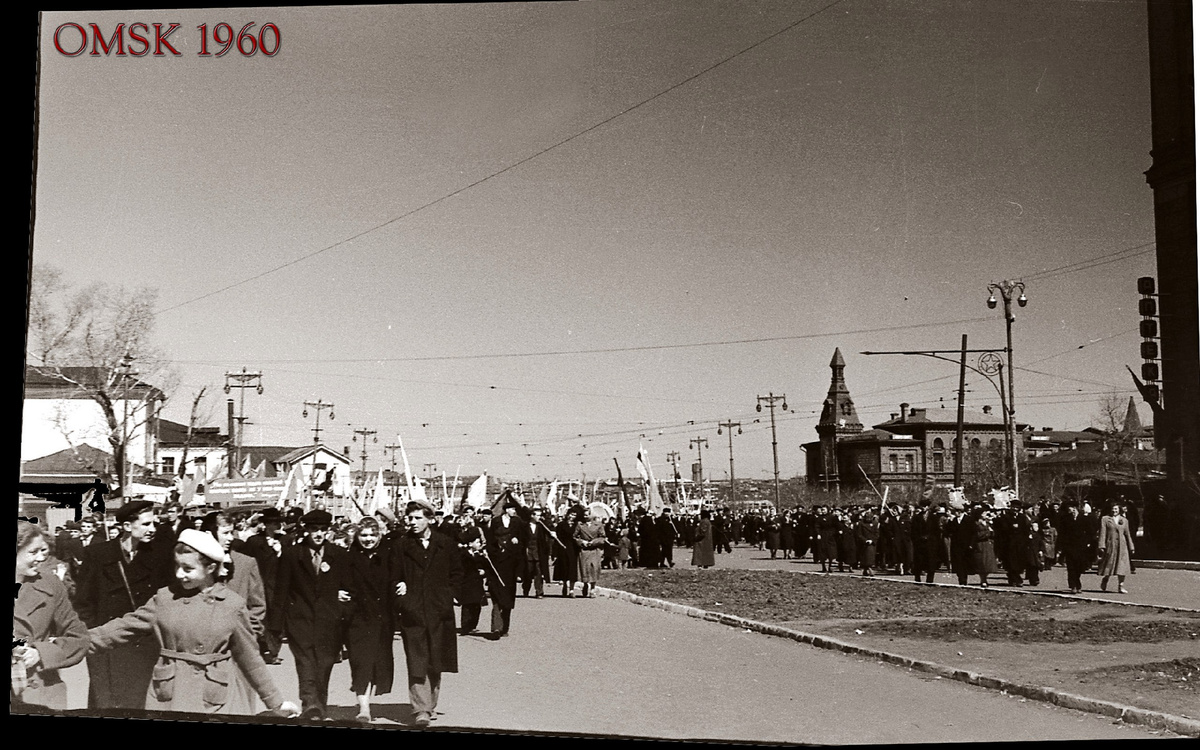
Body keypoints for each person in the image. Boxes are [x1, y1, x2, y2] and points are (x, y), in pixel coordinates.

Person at [87, 529, 299, 717]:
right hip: (168, 694)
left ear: (210, 568)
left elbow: (250, 659)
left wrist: (276, 702)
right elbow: (124, 627)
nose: (179, 574)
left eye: (188, 568)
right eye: (177, 566)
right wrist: (79, 642)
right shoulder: (164, 599)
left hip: (213, 698)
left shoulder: (232, 606)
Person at [73, 499, 173, 711]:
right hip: (106, 647)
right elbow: (84, 603)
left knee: (142, 704)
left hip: (145, 647)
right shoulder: (98, 555)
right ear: (127, 526)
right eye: (146, 524)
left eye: (153, 523)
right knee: (106, 705)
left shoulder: (160, 555)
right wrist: (92, 637)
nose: (153, 529)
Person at [270, 508, 353, 720]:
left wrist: (341, 602)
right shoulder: (292, 554)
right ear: (306, 530)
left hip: (329, 621)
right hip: (300, 620)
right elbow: (281, 590)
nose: (318, 534)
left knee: (324, 663)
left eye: (323, 530)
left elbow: (348, 587)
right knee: (306, 663)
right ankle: (310, 704)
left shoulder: (339, 555)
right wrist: (276, 626)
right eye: (314, 529)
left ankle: (320, 704)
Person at [392, 501, 463, 727]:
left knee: (435, 659)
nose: (412, 523)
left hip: (439, 611)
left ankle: (429, 704)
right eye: (409, 518)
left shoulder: (446, 544)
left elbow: (458, 573)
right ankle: (420, 709)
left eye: (417, 518)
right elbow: (392, 574)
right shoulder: (401, 546)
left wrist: (447, 595)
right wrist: (401, 591)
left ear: (430, 519)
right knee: (417, 658)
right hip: (412, 611)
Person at [13, 521, 89, 711]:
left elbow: (79, 638)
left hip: (40, 692)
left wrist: (41, 653)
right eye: (33, 552)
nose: (41, 558)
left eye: (42, 550)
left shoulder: (50, 584)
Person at [202, 511, 268, 714]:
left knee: (242, 706)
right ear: (209, 533)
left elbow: (257, 605)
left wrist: (249, 635)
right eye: (226, 533)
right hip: (206, 651)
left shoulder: (246, 563)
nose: (231, 538)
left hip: (239, 651)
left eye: (232, 533)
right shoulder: (197, 566)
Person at [345, 517, 395, 723]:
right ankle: (364, 707)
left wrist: (402, 585)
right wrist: (339, 591)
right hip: (357, 618)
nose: (368, 539)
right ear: (357, 536)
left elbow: (398, 577)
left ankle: (367, 701)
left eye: (372, 535)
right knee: (360, 661)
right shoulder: (349, 558)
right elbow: (339, 581)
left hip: (383, 618)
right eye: (363, 535)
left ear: (379, 535)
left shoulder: (388, 556)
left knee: (377, 662)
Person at [485, 494, 526, 637]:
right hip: (497, 568)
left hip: (511, 568)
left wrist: (517, 542)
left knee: (507, 600)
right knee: (496, 598)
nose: (514, 511)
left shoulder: (518, 522)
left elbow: (523, 543)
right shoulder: (496, 521)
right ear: (505, 510)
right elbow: (490, 541)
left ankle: (504, 628)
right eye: (512, 509)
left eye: (515, 508)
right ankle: (496, 628)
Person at [1097, 501, 1135, 593]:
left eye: (1116, 509)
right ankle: (1105, 579)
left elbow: (1127, 534)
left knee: (1122, 566)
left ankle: (1121, 586)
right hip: (1111, 545)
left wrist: (1131, 547)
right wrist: (1102, 545)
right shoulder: (1105, 519)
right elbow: (1103, 533)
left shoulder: (1124, 520)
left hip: (1122, 546)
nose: (1114, 510)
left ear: (1119, 510)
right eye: (1113, 509)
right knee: (1109, 564)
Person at [1058, 502, 1093, 594]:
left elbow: (1089, 531)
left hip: (1081, 546)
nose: (1068, 510)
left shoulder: (1084, 519)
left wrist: (1088, 542)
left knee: (1079, 566)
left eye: (1069, 508)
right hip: (1069, 546)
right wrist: (1061, 546)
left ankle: (1077, 582)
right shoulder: (1065, 519)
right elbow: (1061, 533)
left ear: (1074, 508)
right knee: (1071, 566)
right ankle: (1074, 585)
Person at [521, 506, 554, 598]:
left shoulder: (542, 526)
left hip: (539, 553)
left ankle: (539, 591)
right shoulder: (525, 526)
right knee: (528, 572)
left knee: (539, 573)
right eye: (537, 515)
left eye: (540, 515)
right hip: (528, 553)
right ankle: (526, 588)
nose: (539, 517)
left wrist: (552, 534)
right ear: (532, 516)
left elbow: (550, 533)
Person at [573, 507, 607, 598]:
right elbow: (575, 537)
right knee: (584, 568)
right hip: (584, 550)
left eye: (587, 514)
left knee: (594, 568)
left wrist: (594, 542)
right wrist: (582, 542)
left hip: (594, 550)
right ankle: (585, 584)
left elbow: (603, 537)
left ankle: (592, 588)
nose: (586, 516)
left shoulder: (598, 525)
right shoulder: (580, 525)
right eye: (584, 514)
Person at [553, 505, 582, 596]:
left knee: (572, 569)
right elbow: (557, 538)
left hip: (573, 549)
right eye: (571, 514)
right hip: (563, 548)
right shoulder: (561, 524)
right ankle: (565, 585)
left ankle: (572, 590)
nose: (571, 516)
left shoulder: (578, 525)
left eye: (574, 515)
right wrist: (555, 552)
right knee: (564, 568)